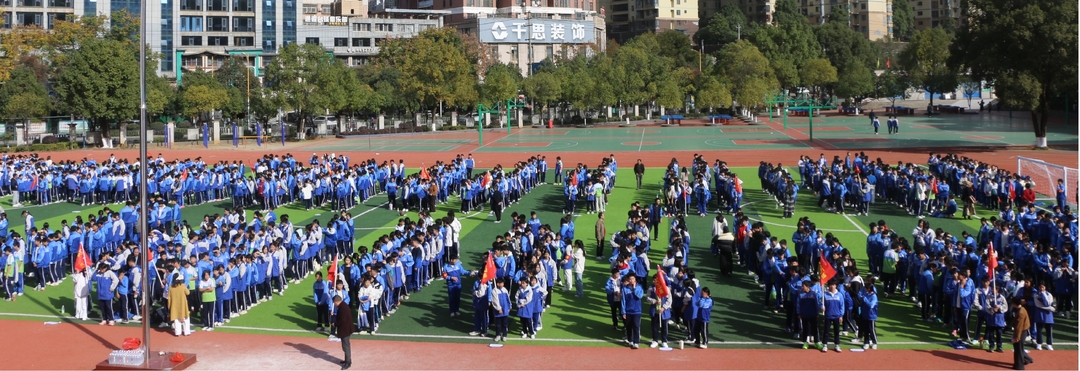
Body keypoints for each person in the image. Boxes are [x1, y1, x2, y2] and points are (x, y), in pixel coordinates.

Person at [620, 274, 644, 349]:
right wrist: (623, 312)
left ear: (635, 279)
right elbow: (623, 301)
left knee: (636, 326)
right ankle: (630, 340)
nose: (631, 280)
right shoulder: (624, 289)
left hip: (637, 311)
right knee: (628, 327)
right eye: (630, 279)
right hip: (628, 311)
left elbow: (639, 296)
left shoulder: (639, 287)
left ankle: (636, 342)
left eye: (632, 279)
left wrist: (634, 288)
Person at [646, 281, 671, 349]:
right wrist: (654, 301)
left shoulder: (666, 288)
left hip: (664, 312)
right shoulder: (651, 288)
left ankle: (664, 341)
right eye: (653, 280)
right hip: (654, 311)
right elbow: (648, 298)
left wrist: (663, 307)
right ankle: (655, 340)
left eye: (656, 280)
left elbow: (669, 300)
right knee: (654, 327)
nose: (654, 281)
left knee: (664, 327)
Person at [822, 280, 844, 352]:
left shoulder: (839, 295)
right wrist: (822, 307)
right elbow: (821, 303)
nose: (832, 286)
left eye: (833, 285)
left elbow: (842, 306)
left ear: (836, 286)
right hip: (828, 315)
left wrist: (841, 315)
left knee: (836, 332)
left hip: (837, 316)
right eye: (830, 285)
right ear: (828, 286)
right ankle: (825, 345)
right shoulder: (825, 295)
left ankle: (837, 345)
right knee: (826, 331)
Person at [1011, 297, 1033, 370]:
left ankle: (1019, 366)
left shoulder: (1020, 312)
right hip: (1023, 331)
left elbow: (1019, 326)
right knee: (1019, 348)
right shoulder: (1022, 309)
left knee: (1018, 349)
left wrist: (1017, 337)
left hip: (1021, 331)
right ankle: (1027, 359)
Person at [333, 295, 354, 370]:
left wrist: (335, 324)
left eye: (334, 303)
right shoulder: (343, 306)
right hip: (346, 329)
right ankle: (347, 360)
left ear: (336, 301)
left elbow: (342, 320)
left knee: (346, 346)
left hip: (345, 330)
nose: (334, 304)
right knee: (345, 346)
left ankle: (348, 363)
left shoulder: (343, 308)